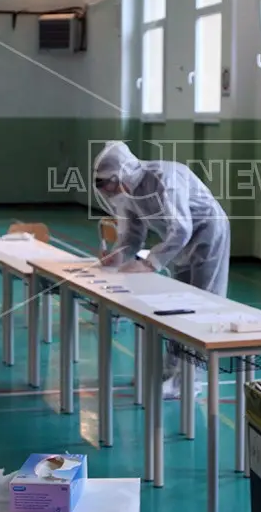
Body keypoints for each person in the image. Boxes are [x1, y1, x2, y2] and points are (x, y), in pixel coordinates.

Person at [92, 141, 230, 398]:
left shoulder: (164, 179)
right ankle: (170, 373)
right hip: (177, 244)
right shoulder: (127, 195)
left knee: (202, 307)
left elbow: (182, 228)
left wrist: (149, 263)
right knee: (179, 307)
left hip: (208, 236)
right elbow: (132, 238)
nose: (110, 193)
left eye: (109, 185)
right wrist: (115, 258)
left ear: (121, 174)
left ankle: (189, 381)